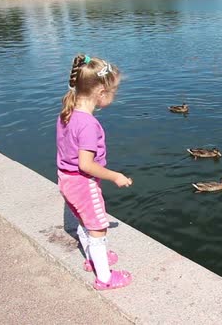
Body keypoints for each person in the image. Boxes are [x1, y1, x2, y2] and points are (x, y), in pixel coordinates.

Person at [56, 54, 132, 290]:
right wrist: (115, 176)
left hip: (66, 179)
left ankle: (91, 258)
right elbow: (86, 164)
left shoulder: (67, 113)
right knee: (98, 226)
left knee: (83, 220)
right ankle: (105, 278)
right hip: (83, 182)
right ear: (101, 93)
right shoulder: (88, 124)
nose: (115, 95)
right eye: (114, 91)